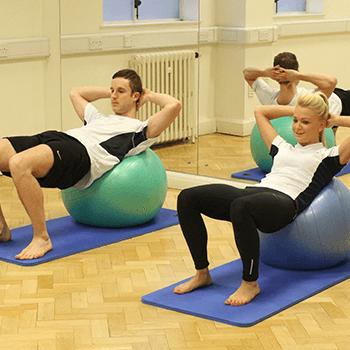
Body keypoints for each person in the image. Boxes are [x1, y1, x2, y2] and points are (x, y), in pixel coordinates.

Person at [173, 91, 350, 306]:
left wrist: (334, 119)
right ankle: (202, 273)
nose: (297, 127)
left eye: (305, 122)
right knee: (187, 198)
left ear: (321, 125)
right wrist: (300, 110)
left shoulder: (329, 156)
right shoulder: (282, 147)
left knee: (241, 206)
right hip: (255, 192)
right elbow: (260, 112)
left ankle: (250, 283)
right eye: (295, 120)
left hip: (285, 203)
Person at [0, 69, 182, 260]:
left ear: (136, 96)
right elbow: (75, 92)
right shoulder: (98, 118)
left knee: (19, 163)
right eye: (112, 90)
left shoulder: (140, 131)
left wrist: (149, 95)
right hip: (59, 137)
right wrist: (110, 91)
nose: (113, 96)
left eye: (120, 91)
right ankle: (2, 228)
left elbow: (174, 105)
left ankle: (42, 238)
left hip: (81, 154)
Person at [243, 52, 350, 121]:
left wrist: (264, 73)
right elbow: (331, 82)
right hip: (327, 111)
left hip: (337, 100)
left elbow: (247, 74)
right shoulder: (308, 100)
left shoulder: (268, 99)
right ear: (296, 71)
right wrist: (299, 75)